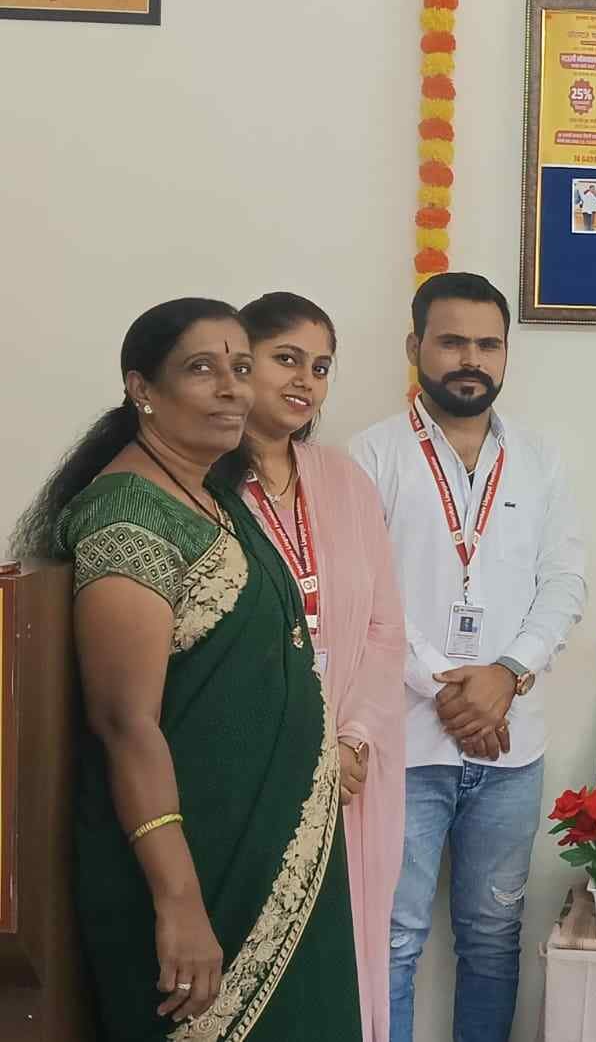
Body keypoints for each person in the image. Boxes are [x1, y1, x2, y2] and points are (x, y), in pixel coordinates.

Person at [10, 298, 361, 1040]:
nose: (233, 388)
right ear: (142, 388)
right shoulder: (127, 519)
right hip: (193, 870)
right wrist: (178, 902)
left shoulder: (212, 498)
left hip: (276, 852)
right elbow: (125, 724)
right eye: (203, 369)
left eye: (242, 368)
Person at [351, 273, 587, 1042]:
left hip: (512, 750)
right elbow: (366, 595)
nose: (471, 359)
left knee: (492, 938)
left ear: (506, 352)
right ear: (414, 346)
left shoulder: (540, 458)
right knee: (392, 939)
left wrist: (506, 675)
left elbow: (564, 582)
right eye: (452, 341)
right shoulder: (370, 455)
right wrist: (451, 690)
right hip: (403, 744)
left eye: (488, 344)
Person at [238, 292, 407, 1042]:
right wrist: (303, 750)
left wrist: (353, 737)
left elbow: (384, 628)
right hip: (254, 763)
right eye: (287, 359)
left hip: (350, 766)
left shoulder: (343, 480)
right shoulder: (201, 482)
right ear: (240, 363)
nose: (305, 380)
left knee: (348, 946)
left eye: (321, 366)